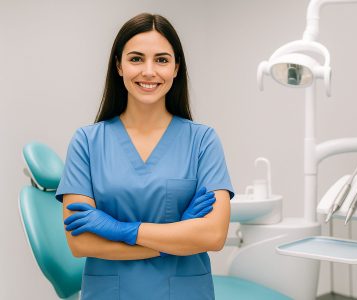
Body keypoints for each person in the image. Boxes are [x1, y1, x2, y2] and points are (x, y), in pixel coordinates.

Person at [55, 13, 234, 300]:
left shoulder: (202, 140)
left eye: (162, 60)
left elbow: (213, 236)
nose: (149, 71)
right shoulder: (86, 142)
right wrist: (175, 237)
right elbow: (82, 242)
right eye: (136, 59)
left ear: (176, 68)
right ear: (119, 66)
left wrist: (121, 230)